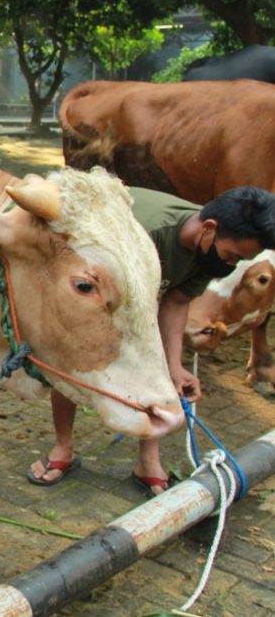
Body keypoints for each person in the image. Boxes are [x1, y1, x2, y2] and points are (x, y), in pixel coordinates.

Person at [26, 185, 275, 497]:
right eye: (231, 256)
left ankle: (148, 462)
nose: (229, 265)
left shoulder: (209, 251)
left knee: (155, 372)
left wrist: (173, 366)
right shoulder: (146, 235)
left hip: (142, 300)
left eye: (239, 260)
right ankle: (63, 447)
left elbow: (177, 301)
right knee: (76, 360)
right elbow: (91, 293)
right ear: (209, 229)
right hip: (95, 291)